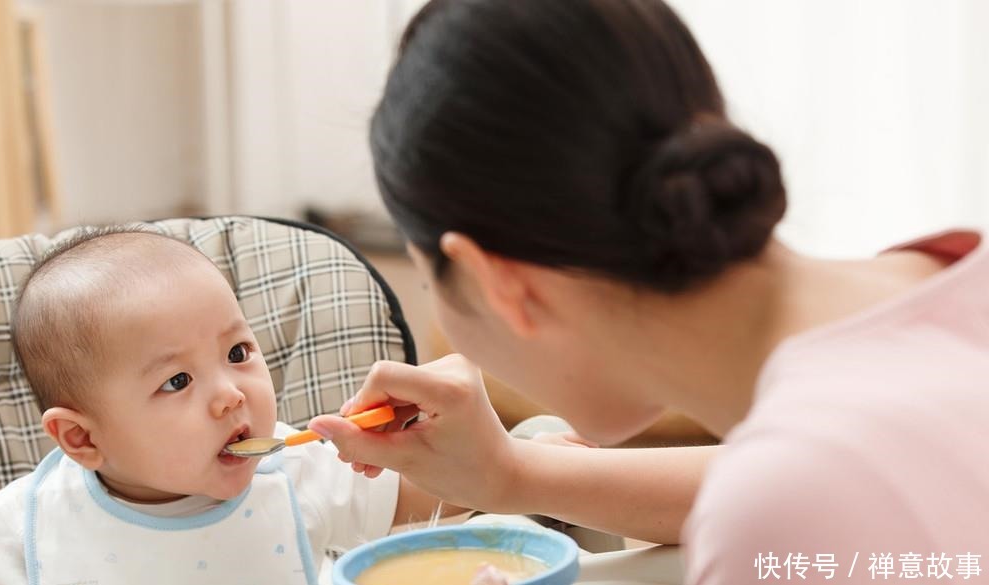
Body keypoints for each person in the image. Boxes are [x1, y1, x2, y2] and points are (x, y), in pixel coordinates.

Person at [306, 0, 989, 583]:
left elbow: (798, 494)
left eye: (433, 284)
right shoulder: (951, 273)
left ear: (495, 280)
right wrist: (511, 473)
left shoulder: (783, 502)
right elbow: (820, 478)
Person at [0, 228, 453, 585]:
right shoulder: (31, 521)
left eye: (238, 350)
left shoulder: (295, 472)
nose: (230, 393)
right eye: (177, 381)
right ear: (82, 440)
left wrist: (522, 454)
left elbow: (445, 486)